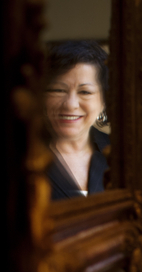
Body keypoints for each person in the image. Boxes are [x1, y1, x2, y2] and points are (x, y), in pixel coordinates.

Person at [43, 40, 110, 200]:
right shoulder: (22, 156)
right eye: (58, 90)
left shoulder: (118, 152)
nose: (70, 104)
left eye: (85, 92)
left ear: (103, 101)